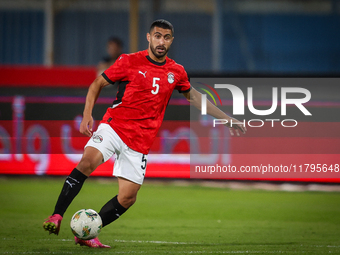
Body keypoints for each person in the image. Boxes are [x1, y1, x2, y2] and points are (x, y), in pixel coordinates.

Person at [43, 19, 246, 248]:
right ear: (149, 38)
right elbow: (97, 84)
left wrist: (227, 119)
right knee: (87, 162)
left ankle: (87, 233)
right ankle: (56, 215)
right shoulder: (128, 61)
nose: (162, 41)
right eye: (157, 36)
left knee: (128, 198)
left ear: (171, 41)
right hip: (114, 126)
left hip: (140, 141)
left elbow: (196, 98)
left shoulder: (176, 71)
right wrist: (87, 114)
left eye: (166, 37)